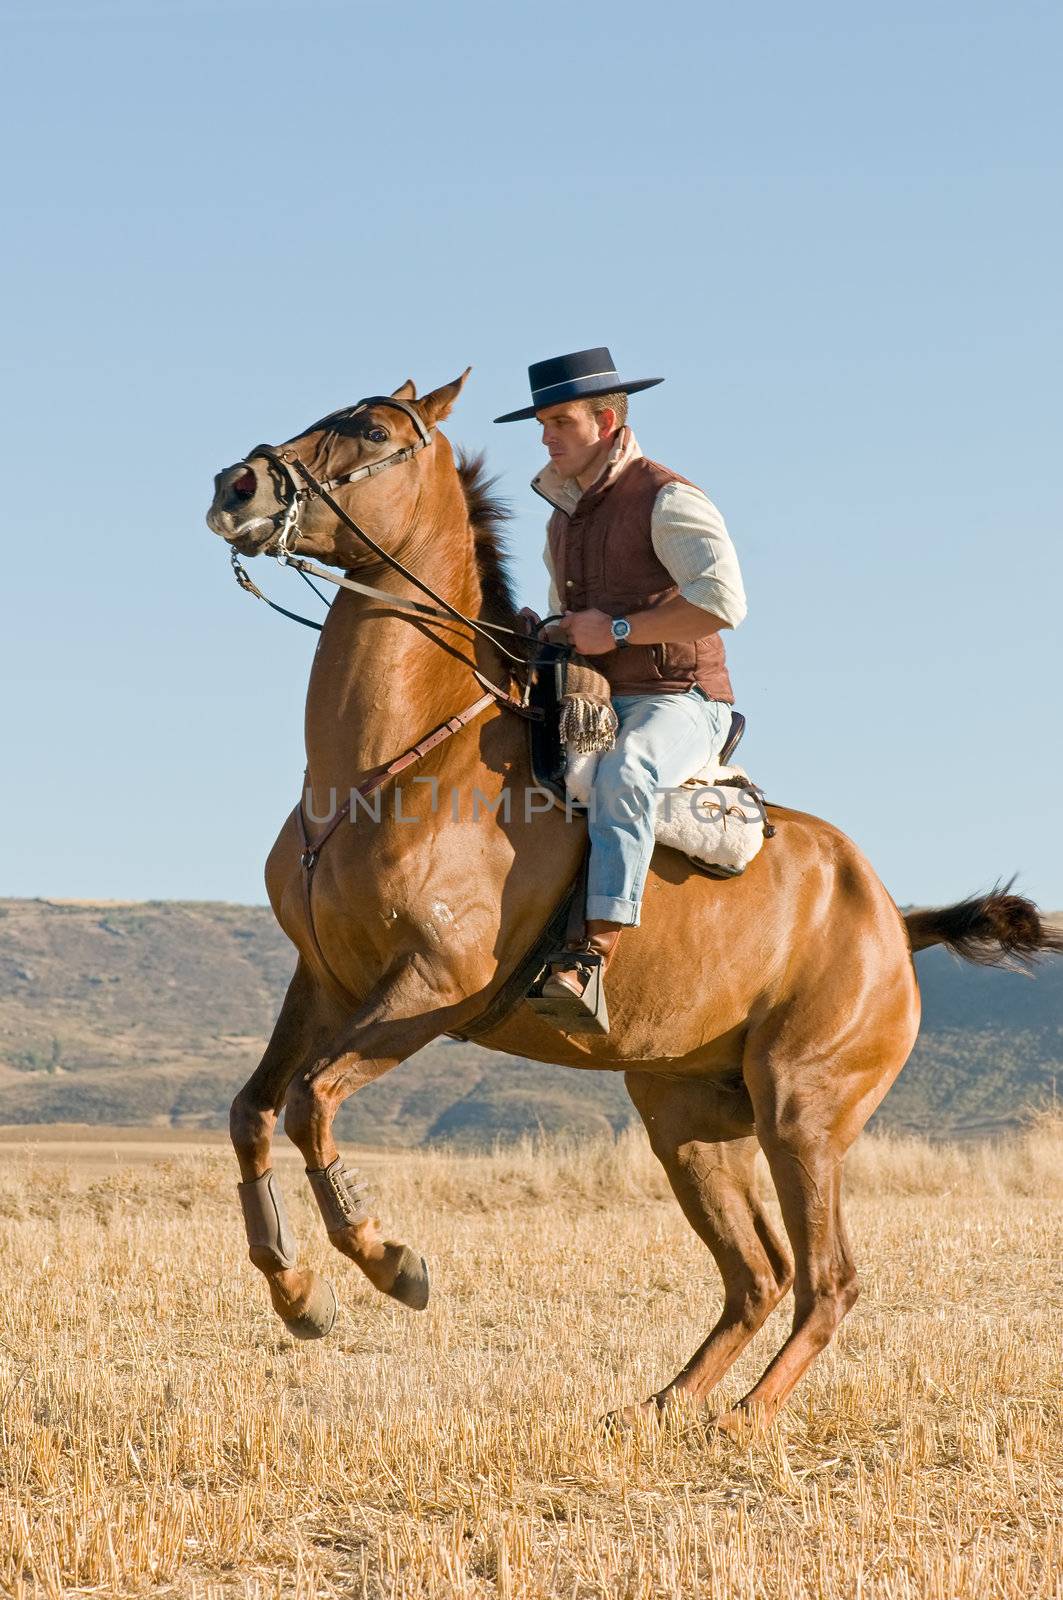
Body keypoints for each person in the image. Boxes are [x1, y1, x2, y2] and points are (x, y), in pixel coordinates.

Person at [494, 347, 747, 1018]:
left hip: (684, 700)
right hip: (601, 699)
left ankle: (592, 956)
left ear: (605, 421)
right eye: (541, 424)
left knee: (628, 769)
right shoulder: (560, 515)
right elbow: (575, 619)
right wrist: (543, 631)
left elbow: (725, 604)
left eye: (559, 422)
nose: (545, 438)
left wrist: (620, 632)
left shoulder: (668, 497)